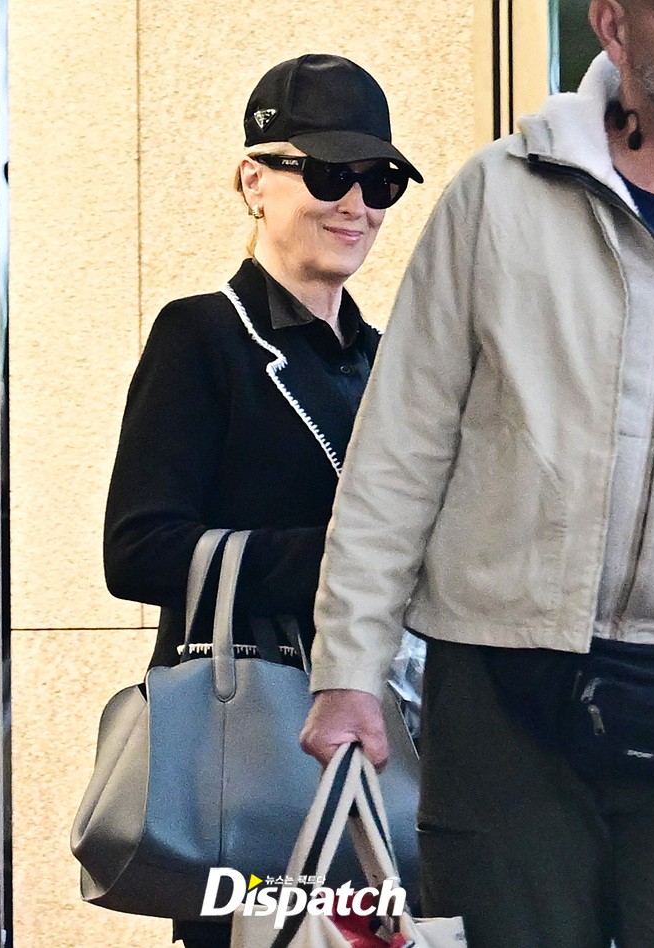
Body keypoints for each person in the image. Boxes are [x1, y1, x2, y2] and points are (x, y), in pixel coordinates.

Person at [300, 1, 654, 946]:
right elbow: (400, 447)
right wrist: (349, 669)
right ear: (614, 25)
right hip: (502, 698)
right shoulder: (500, 192)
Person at [102, 53, 422, 948]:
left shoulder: (391, 362)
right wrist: (346, 561)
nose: (356, 203)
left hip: (386, 742)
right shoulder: (203, 335)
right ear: (255, 181)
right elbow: (137, 549)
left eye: (380, 181)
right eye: (327, 173)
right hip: (251, 754)